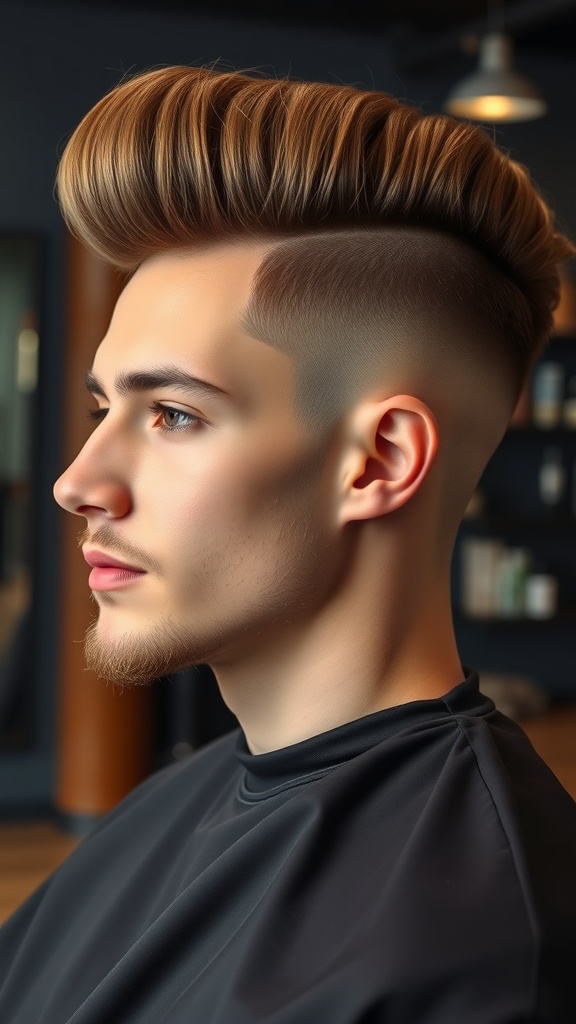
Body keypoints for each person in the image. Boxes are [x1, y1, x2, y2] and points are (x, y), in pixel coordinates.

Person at [1, 64, 575, 1024]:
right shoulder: (180, 796)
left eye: (175, 414)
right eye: (107, 407)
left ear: (378, 462)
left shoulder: (468, 955)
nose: (77, 483)